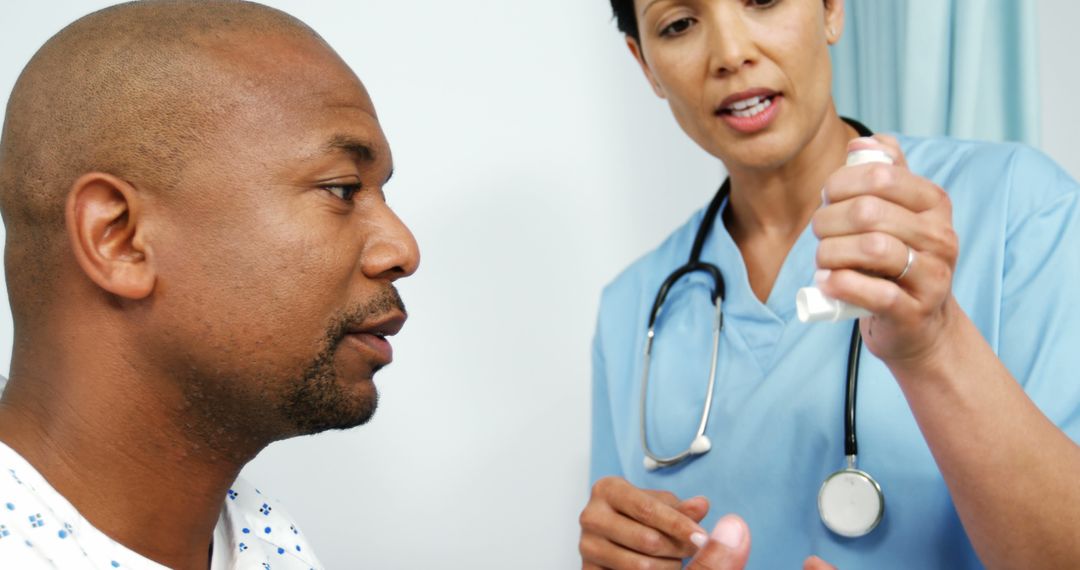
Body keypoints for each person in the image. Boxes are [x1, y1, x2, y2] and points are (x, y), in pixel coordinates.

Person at [579, 0, 1080, 568]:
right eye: (679, 24)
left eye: (762, 0)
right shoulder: (631, 309)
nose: (731, 53)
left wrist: (934, 344)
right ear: (646, 66)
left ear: (832, 9)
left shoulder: (1019, 206)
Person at [0, 1, 419, 568]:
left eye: (380, 193)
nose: (402, 251)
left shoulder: (270, 544)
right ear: (119, 238)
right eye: (343, 189)